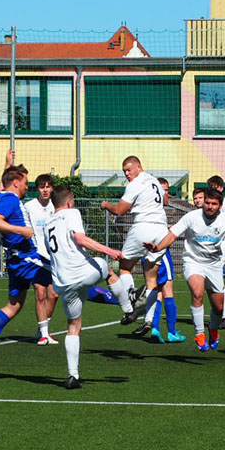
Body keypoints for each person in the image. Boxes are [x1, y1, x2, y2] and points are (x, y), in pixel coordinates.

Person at [145, 188, 225, 351]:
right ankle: (199, 334)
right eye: (207, 203)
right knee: (197, 293)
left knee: (219, 307)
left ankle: (213, 329)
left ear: (220, 205)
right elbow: (172, 235)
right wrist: (158, 247)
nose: (209, 206)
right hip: (193, 261)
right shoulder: (192, 217)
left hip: (214, 265)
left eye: (214, 204)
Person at [0, 164, 52, 375]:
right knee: (65, 279)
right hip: (26, 258)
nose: (27, 186)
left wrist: (7, 165)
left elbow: (3, 185)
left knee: (13, 306)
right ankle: (125, 303)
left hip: (16, 260)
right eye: (25, 182)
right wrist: (21, 230)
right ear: (16, 183)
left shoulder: (2, 195)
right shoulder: (11, 199)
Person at [41, 185, 124, 389]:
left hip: (63, 282)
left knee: (73, 326)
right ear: (69, 202)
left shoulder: (47, 223)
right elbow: (80, 239)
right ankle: (129, 309)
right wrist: (110, 251)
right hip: (81, 272)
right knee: (107, 269)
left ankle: (73, 376)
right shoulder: (72, 213)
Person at [100, 156, 168, 326]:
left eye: (129, 170)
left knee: (124, 266)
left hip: (143, 227)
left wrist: (106, 204)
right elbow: (166, 200)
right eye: (124, 171)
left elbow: (119, 210)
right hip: (162, 230)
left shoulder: (135, 184)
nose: (127, 174)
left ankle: (131, 299)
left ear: (139, 167)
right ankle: (149, 320)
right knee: (151, 277)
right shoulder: (154, 180)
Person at [135, 177, 185, 343]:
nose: (165, 194)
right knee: (167, 291)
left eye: (166, 190)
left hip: (146, 254)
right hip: (160, 254)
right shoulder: (158, 212)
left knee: (155, 290)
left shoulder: (146, 209)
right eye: (162, 190)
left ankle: (155, 327)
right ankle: (171, 331)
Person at [24, 173, 59, 345]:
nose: (45, 190)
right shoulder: (29, 206)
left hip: (54, 257)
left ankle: (42, 328)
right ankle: (44, 334)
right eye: (42, 187)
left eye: (48, 187)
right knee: (40, 293)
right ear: (37, 189)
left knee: (53, 295)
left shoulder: (56, 206)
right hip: (36, 257)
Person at [206, 175, 225, 329]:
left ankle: (224, 316)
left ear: (222, 188)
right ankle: (221, 315)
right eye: (211, 187)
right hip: (214, 244)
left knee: (215, 278)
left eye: (216, 187)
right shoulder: (210, 203)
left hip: (223, 244)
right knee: (211, 279)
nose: (213, 189)